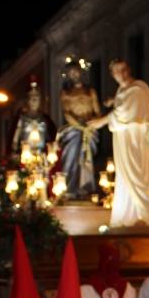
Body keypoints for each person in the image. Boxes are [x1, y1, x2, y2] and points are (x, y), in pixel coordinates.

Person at [86, 59, 149, 228]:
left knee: (135, 173)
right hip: (124, 140)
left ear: (129, 69)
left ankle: (143, 216)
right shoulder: (124, 91)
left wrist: (102, 121)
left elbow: (126, 112)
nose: (122, 73)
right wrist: (114, 101)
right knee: (124, 176)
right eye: (118, 71)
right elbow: (123, 104)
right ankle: (126, 217)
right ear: (113, 75)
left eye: (124, 69)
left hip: (135, 140)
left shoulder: (138, 89)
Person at [58, 62, 103, 199]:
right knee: (72, 157)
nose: (74, 75)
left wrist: (92, 124)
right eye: (71, 73)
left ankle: (87, 188)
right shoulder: (66, 93)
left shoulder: (90, 92)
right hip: (73, 130)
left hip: (89, 129)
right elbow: (66, 113)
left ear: (80, 72)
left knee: (87, 159)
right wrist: (79, 125)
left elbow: (97, 111)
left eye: (75, 71)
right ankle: (71, 189)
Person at [10, 78, 55, 158]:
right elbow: (15, 139)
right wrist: (14, 151)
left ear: (40, 100)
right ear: (27, 100)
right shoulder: (21, 119)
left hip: (42, 155)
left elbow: (51, 138)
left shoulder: (45, 119)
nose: (34, 100)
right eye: (31, 97)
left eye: (36, 97)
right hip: (25, 155)